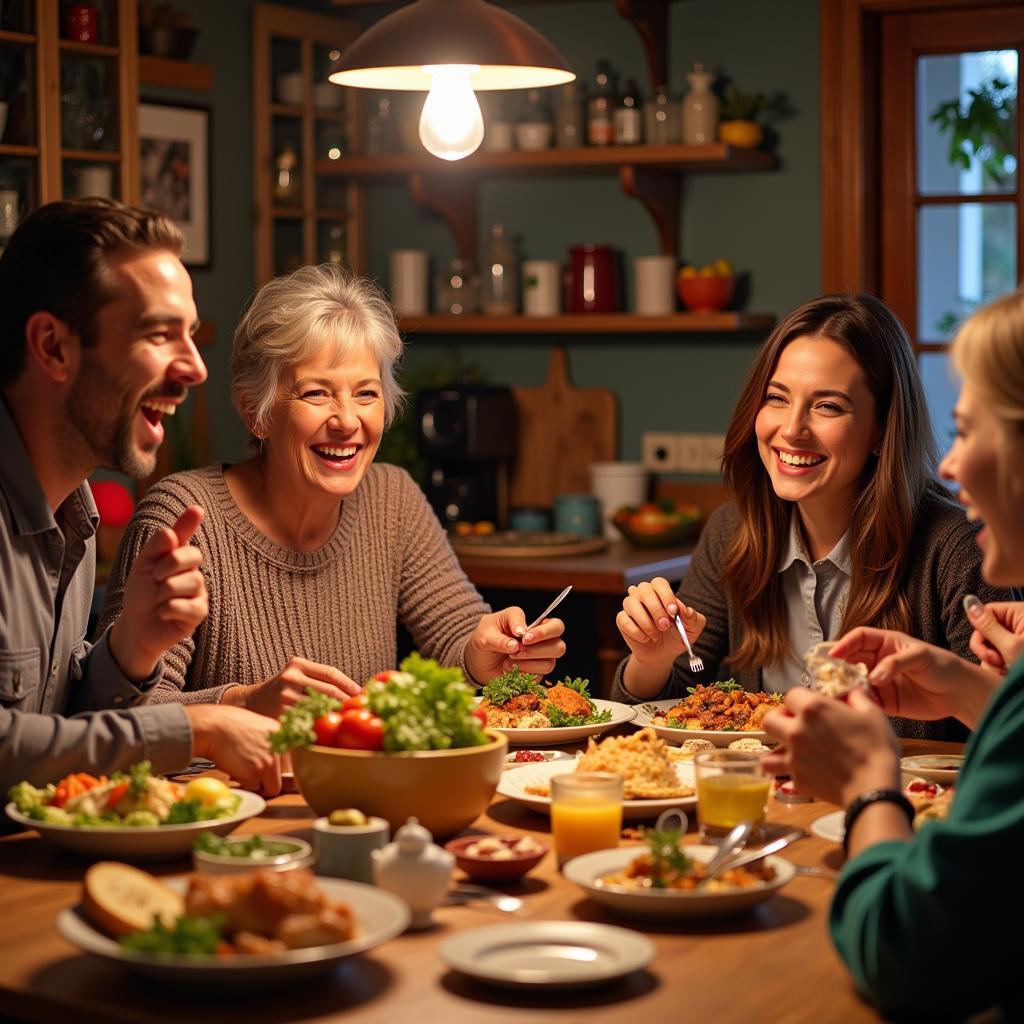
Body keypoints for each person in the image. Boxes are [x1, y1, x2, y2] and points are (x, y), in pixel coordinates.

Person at [99, 264, 566, 714]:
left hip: (362, 791)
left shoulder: (391, 498)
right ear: (255, 412)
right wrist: (242, 703)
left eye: (366, 393)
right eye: (316, 393)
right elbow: (118, 710)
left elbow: (455, 634)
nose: (347, 421)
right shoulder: (185, 518)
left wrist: (482, 655)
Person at [761, 287, 1024, 1020]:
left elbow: (905, 956)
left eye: (970, 433)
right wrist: (977, 693)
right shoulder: (738, 531)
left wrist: (872, 782)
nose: (950, 465)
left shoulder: (944, 545)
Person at [610, 293, 1010, 739]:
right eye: (777, 398)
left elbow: (1005, 732)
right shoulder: (733, 531)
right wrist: (653, 659)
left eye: (828, 406)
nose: (792, 430)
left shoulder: (957, 548)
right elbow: (674, 703)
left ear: (882, 428)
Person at [0, 198, 281, 793]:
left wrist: (132, 645)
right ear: (53, 346)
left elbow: (56, 737)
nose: (196, 368)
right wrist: (189, 728)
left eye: (192, 335)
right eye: (160, 334)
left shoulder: (75, 514)